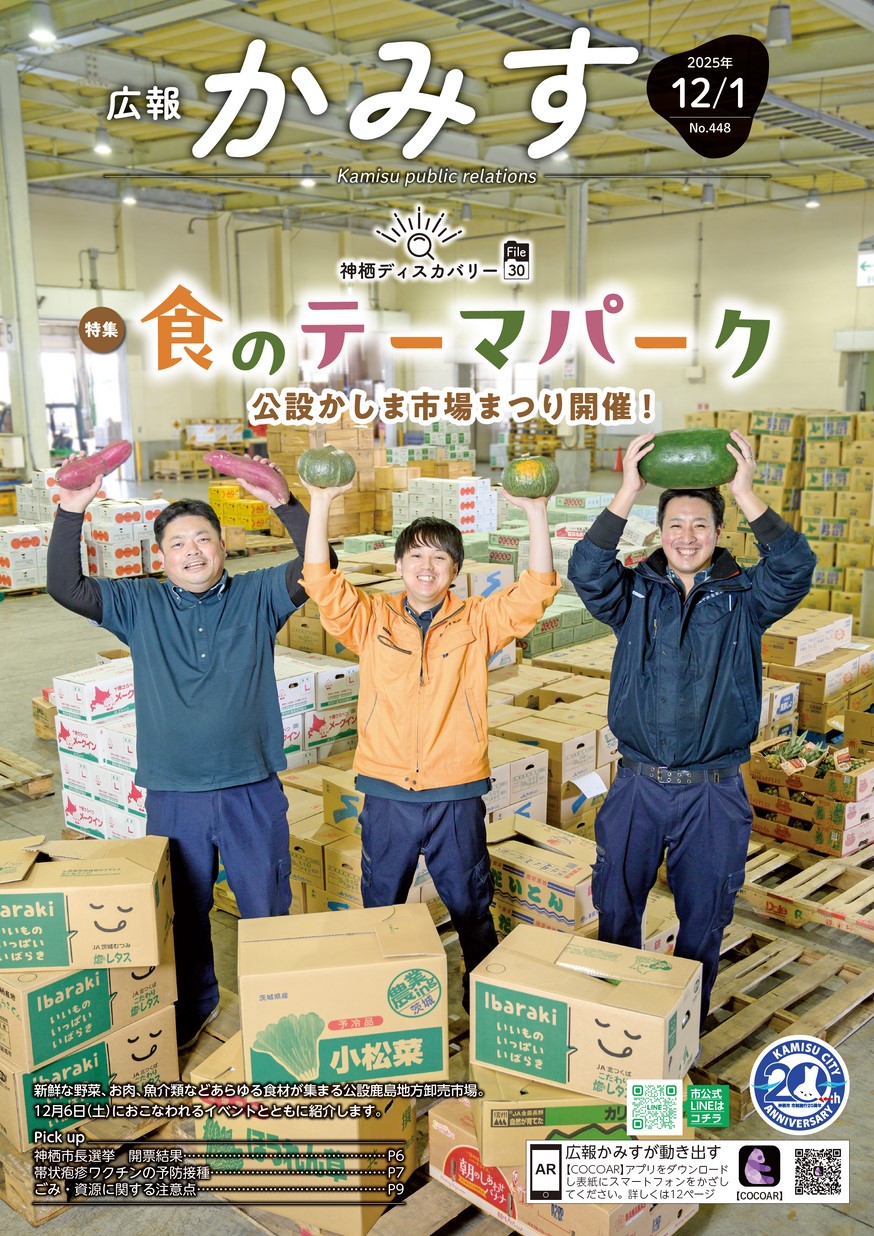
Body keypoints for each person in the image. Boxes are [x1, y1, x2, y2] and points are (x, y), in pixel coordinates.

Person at [47, 457, 337, 1051]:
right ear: (160, 557)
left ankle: (275, 1010)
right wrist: (71, 511)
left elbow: (321, 566)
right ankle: (196, 1005)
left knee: (266, 906)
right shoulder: (139, 604)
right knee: (183, 909)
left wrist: (284, 502)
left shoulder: (258, 594)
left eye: (203, 538)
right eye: (177, 543)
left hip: (251, 787)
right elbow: (65, 587)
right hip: (174, 791)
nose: (192, 551)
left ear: (224, 546)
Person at [567, 429, 815, 1027]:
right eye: (675, 524)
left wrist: (746, 492)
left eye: (700, 525)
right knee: (616, 908)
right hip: (637, 786)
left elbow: (795, 567)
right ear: (659, 531)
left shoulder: (746, 596)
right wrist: (627, 490)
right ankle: (618, 1026)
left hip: (712, 790)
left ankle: (682, 1034)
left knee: (704, 919)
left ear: (720, 532)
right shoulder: (633, 593)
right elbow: (586, 570)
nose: (687, 536)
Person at [300, 477, 560, 1011]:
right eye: (416, 556)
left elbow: (536, 588)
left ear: (455, 571)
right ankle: (381, 1000)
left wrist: (536, 512)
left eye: (440, 558)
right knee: (382, 907)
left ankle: (481, 997)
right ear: (399, 565)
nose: (427, 566)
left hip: (455, 793)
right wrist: (321, 502)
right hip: (388, 792)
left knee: (471, 906)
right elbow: (322, 583)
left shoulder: (478, 621)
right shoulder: (371, 618)